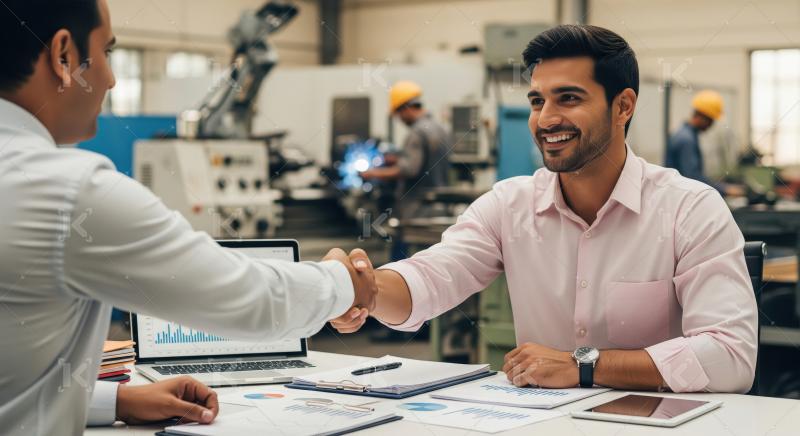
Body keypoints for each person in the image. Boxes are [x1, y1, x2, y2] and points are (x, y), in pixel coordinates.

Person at [0, 1, 375, 434]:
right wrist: (344, 281)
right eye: (107, 52)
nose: (111, 79)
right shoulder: (69, 190)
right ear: (64, 56)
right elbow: (248, 298)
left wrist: (116, 400)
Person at [331, 24, 757, 394]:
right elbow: (430, 278)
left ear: (623, 106)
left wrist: (584, 366)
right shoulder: (509, 205)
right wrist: (364, 289)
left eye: (568, 98)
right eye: (537, 101)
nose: (546, 119)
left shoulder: (689, 209)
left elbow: (731, 358)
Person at [360, 80, 451, 261]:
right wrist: (397, 157)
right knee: (433, 261)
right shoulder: (440, 128)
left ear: (406, 108)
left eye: (399, 115)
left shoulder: (416, 132)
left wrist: (372, 173)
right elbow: (427, 160)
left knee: (401, 262)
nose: (401, 120)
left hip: (416, 210)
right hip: (439, 207)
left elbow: (409, 169)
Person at [664, 90, 727, 193]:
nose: (711, 125)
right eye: (711, 120)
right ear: (703, 117)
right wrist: (725, 190)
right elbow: (693, 178)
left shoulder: (685, 134)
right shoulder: (686, 140)